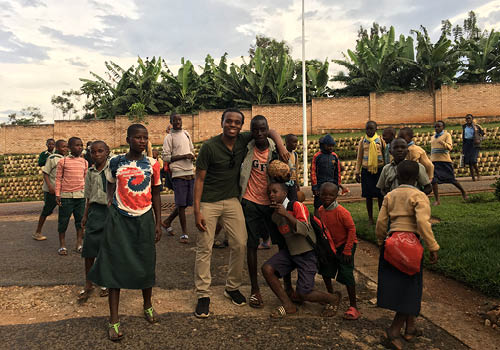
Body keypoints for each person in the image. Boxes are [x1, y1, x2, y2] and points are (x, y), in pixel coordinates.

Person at [193, 108, 288, 318]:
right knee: (205, 247)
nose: (233, 125)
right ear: (222, 122)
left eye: (237, 123)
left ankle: (232, 287)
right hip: (209, 202)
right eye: (229, 122)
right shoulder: (209, 147)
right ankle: (203, 295)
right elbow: (199, 179)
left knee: (240, 243)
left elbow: (269, 130)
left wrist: (280, 145)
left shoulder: (243, 139)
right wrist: (197, 209)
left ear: (241, 126)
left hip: (232, 199)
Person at [88, 124, 162, 341]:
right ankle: (114, 319)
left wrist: (158, 223)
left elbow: (156, 194)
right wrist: (112, 203)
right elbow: (110, 183)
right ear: (128, 139)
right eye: (137, 137)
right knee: (114, 266)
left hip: (145, 218)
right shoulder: (115, 162)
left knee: (146, 262)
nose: (142, 141)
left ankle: (147, 305)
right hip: (119, 220)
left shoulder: (152, 164)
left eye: (145, 138)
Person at [375, 160, 439, 350]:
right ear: (417, 177)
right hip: (411, 244)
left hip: (393, 241)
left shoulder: (390, 195)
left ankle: (410, 328)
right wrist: (432, 246)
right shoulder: (419, 196)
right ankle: (394, 331)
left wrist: (381, 243)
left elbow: (381, 222)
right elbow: (422, 222)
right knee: (411, 288)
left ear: (397, 176)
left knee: (401, 285)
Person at [261, 182, 341, 318]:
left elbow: (304, 229)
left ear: (285, 193)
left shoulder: (297, 206)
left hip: (307, 253)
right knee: (267, 269)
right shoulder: (275, 215)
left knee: (304, 292)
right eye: (269, 193)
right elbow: (283, 239)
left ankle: (332, 298)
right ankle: (288, 305)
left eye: (275, 191)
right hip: (291, 253)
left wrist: (286, 214)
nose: (271, 195)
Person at [239, 115, 279, 308]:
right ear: (252, 131)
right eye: (256, 130)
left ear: (267, 129)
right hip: (250, 202)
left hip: (271, 204)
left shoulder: (276, 150)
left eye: (263, 129)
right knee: (252, 246)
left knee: (282, 242)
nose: (260, 133)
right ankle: (255, 289)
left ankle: (285, 285)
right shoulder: (247, 148)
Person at [318, 182, 359, 320]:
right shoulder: (320, 211)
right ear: (319, 194)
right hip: (331, 244)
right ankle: (331, 295)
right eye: (324, 194)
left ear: (337, 195)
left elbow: (352, 230)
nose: (327, 197)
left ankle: (354, 306)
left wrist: (347, 250)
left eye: (331, 195)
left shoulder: (342, 212)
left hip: (346, 244)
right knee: (325, 269)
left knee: (346, 272)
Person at [78, 141, 110, 303]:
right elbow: (88, 196)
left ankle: (105, 282)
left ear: (107, 152)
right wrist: (85, 215)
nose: (97, 154)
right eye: (93, 152)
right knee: (89, 249)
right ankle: (89, 283)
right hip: (94, 212)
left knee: (106, 249)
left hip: (109, 212)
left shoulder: (112, 169)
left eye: (100, 151)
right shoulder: (90, 172)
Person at [162, 113, 195, 243]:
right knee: (181, 205)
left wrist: (191, 155)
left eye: (179, 120)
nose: (177, 122)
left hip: (189, 171)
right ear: (171, 122)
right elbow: (165, 157)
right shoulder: (169, 137)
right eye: (174, 120)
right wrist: (183, 156)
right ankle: (185, 234)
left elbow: (191, 150)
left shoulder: (187, 134)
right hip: (178, 173)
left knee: (186, 203)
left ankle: (167, 221)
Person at [55, 137, 88, 255]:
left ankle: (79, 244)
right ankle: (62, 245)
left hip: (80, 196)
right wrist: (58, 194)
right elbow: (58, 178)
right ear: (69, 148)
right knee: (63, 221)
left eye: (81, 145)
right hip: (66, 196)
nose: (80, 147)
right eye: (77, 145)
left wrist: (87, 195)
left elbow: (86, 180)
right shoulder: (62, 161)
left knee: (80, 222)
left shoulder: (84, 162)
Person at [33, 139, 67, 241]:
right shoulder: (52, 158)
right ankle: (37, 232)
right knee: (47, 211)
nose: (65, 149)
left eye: (66, 147)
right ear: (57, 147)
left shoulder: (66, 158)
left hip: (63, 190)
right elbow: (45, 172)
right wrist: (50, 187)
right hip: (51, 190)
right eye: (63, 147)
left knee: (67, 211)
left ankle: (77, 233)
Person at [355, 121, 386, 224]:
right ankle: (370, 218)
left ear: (376, 129)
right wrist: (357, 172)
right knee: (368, 195)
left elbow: (385, 155)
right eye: (367, 128)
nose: (369, 131)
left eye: (371, 128)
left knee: (380, 195)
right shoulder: (362, 141)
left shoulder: (381, 140)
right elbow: (359, 158)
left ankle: (381, 217)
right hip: (366, 171)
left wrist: (386, 170)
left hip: (379, 169)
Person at [430, 121, 467, 205]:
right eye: (435, 127)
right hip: (434, 162)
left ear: (443, 127)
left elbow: (450, 147)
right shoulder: (433, 137)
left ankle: (463, 192)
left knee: (452, 180)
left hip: (445, 161)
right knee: (434, 181)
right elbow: (433, 149)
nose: (436, 128)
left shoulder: (447, 135)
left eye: (439, 126)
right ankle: (437, 200)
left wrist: (442, 143)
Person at [311, 134, 342, 217]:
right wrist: (315, 187)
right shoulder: (317, 156)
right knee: (318, 204)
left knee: (331, 204)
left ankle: (330, 220)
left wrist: (337, 185)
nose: (330, 148)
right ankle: (317, 222)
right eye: (328, 146)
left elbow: (337, 172)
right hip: (320, 184)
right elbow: (313, 172)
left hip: (331, 183)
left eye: (332, 146)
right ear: (323, 145)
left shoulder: (334, 156)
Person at [462, 114, 485, 181]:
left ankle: (478, 174)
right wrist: (463, 147)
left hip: (474, 144)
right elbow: (464, 137)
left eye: (469, 118)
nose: (468, 120)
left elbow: (484, 135)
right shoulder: (464, 127)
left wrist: (480, 139)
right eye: (467, 118)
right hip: (467, 144)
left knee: (473, 160)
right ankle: (473, 177)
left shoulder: (477, 127)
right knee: (468, 161)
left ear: (472, 119)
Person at [284, 134, 300, 201]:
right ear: (287, 143)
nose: (296, 144)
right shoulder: (283, 154)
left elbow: (296, 170)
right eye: (294, 142)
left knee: (294, 201)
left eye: (296, 142)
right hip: (284, 182)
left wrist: (297, 183)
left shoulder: (295, 155)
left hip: (292, 182)